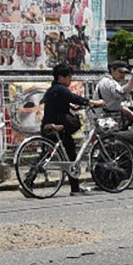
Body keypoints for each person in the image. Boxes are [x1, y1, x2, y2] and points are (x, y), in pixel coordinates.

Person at [39, 63, 89, 193]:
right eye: (69, 77)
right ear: (61, 77)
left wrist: (72, 107)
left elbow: (59, 102)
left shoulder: (52, 89)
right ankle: (75, 188)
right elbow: (73, 97)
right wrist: (90, 102)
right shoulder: (61, 89)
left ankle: (28, 181)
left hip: (47, 125)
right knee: (71, 156)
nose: (70, 79)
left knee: (45, 156)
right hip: (59, 128)